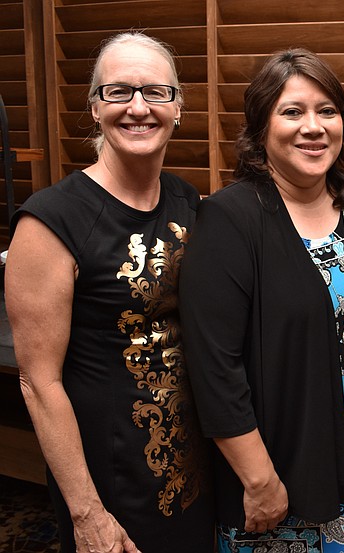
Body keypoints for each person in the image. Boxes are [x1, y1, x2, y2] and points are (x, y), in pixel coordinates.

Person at [5, 32, 214, 552]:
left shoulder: (187, 201)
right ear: (95, 108)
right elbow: (38, 381)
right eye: (118, 92)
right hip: (107, 472)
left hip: (188, 460)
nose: (138, 107)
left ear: (178, 107)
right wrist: (87, 511)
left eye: (155, 92)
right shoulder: (51, 220)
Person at [178, 48, 344, 553]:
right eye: (292, 112)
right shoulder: (231, 219)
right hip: (279, 469)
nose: (313, 127)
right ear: (261, 127)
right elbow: (215, 367)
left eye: (327, 110)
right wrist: (258, 479)